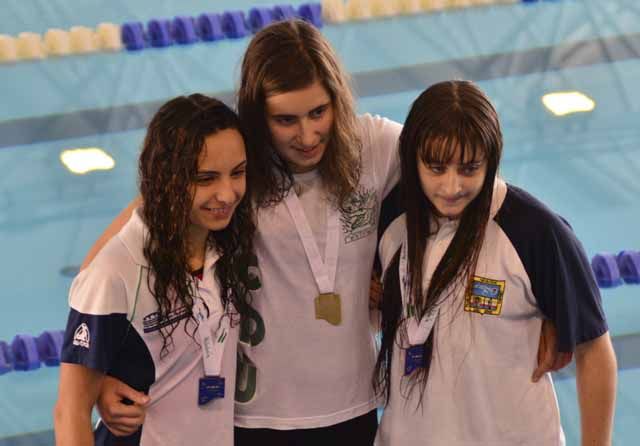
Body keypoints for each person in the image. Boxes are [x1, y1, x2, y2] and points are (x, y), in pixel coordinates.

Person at [85, 20, 568, 445]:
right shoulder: (235, 170)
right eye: (286, 120)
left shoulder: (373, 146)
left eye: (319, 112)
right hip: (252, 417)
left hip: (351, 408)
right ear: (258, 115)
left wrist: (554, 302)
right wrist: (102, 376)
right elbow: (108, 263)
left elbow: (469, 181)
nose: (308, 134)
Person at [374, 80, 617, 445]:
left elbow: (595, 350)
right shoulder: (392, 218)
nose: (452, 186)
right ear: (412, 160)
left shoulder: (534, 231)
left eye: (470, 168)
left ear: (492, 159)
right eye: (436, 168)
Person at [53, 94, 255, 446]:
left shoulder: (227, 242)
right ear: (168, 179)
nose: (227, 194)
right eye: (206, 179)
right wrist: (99, 385)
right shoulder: (117, 273)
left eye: (237, 173)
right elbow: (70, 412)